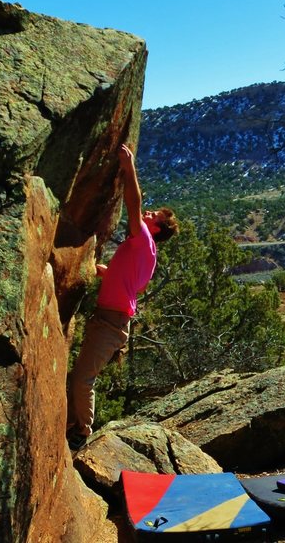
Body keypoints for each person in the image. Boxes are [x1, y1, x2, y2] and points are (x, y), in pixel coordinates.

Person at [66, 144, 178, 451]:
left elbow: (133, 201)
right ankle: (73, 426)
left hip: (111, 322)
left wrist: (129, 169)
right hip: (111, 319)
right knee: (78, 376)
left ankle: (80, 433)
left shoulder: (143, 239)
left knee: (82, 379)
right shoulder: (146, 253)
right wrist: (107, 274)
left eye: (153, 216)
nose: (147, 213)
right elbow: (132, 283)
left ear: (156, 228)